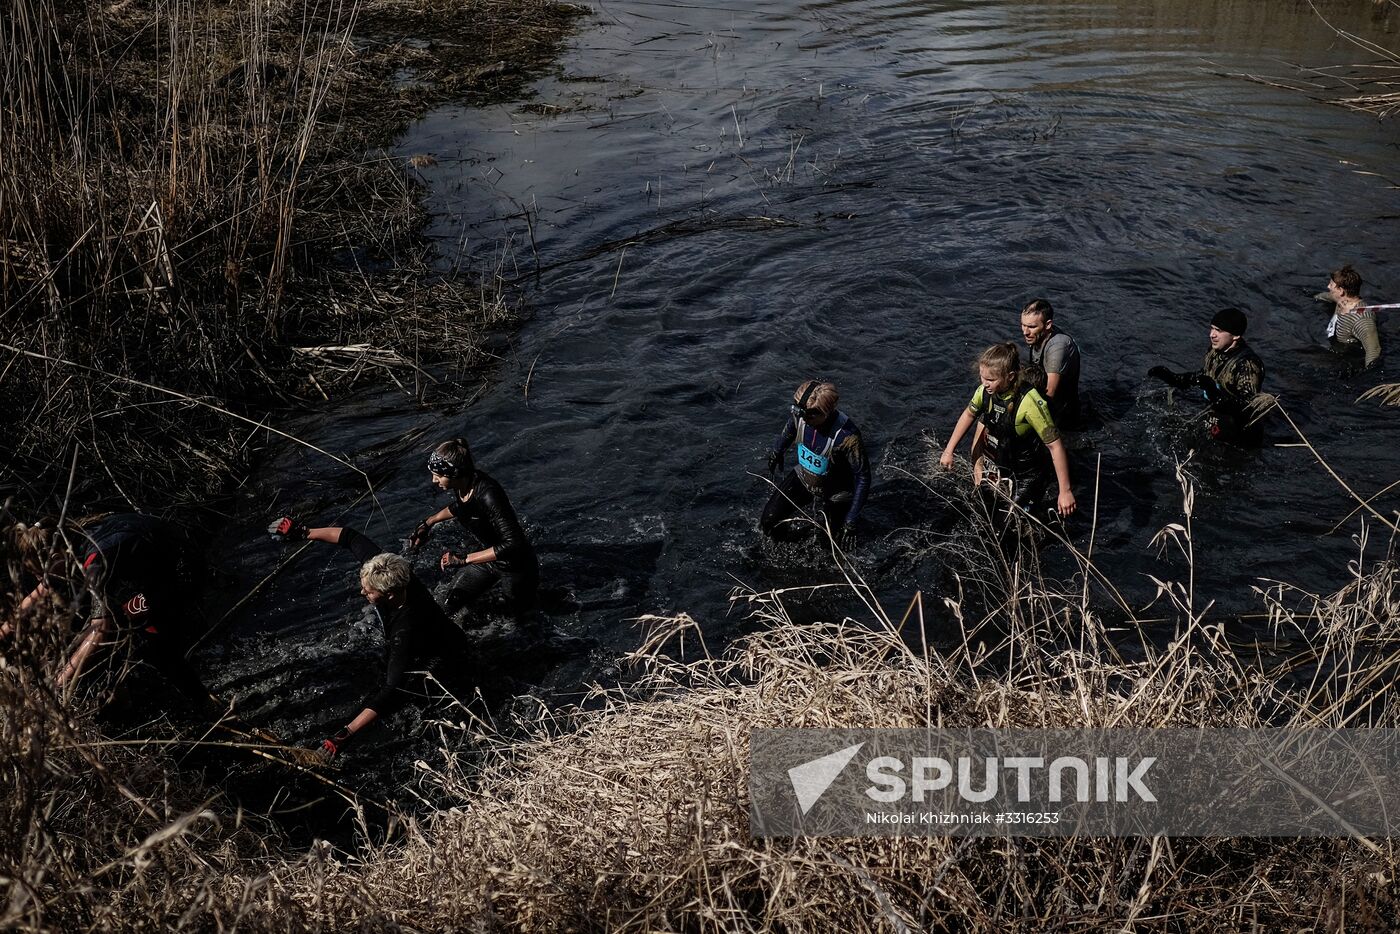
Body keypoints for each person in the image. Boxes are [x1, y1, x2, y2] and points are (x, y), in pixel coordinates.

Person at [267, 516, 479, 762]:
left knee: (403, 697)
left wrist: (343, 736)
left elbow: (391, 688)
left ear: (388, 594)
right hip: (429, 635)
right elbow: (349, 536)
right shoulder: (386, 568)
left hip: (441, 658)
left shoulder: (405, 627)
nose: (362, 592)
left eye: (368, 591)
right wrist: (303, 531)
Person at [11, 513, 216, 706]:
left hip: (182, 574)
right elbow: (37, 596)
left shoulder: (95, 559)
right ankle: (122, 688)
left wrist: (55, 685)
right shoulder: (68, 539)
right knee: (102, 623)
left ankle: (205, 702)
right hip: (154, 564)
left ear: (55, 558)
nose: (41, 580)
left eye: (41, 574)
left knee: (131, 625)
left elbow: (100, 631)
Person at [940, 343, 1077, 526]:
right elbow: (969, 415)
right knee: (982, 516)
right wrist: (949, 450)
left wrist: (1065, 491)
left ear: (1010, 377)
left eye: (991, 379)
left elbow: (1055, 446)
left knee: (1007, 526)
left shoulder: (1029, 402)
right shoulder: (985, 392)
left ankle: (1045, 523)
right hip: (1002, 466)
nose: (984, 383)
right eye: (982, 377)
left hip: (1030, 474)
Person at [407, 439, 539, 621]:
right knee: (448, 606)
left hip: (515, 566)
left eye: (438, 475)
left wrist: (465, 559)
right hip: (489, 562)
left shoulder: (488, 493)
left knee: (516, 621)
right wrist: (429, 522)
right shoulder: (463, 484)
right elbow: (462, 506)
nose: (433, 480)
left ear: (454, 472)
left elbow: (514, 543)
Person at [760, 379, 871, 546]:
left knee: (825, 545)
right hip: (804, 477)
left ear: (826, 412)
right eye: (799, 411)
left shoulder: (848, 438)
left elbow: (863, 477)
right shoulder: (801, 416)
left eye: (811, 414)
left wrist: (851, 519)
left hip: (837, 492)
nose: (803, 419)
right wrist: (777, 451)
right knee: (769, 521)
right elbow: (790, 431)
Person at [1148, 307, 1266, 445]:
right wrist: (1173, 378)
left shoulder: (1247, 364)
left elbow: (1246, 406)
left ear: (1235, 336)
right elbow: (1204, 375)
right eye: (1212, 328)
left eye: (1219, 331)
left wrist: (1214, 393)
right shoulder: (1215, 350)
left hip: (1239, 433)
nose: (1212, 335)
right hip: (1218, 416)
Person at [1019, 298, 1082, 428]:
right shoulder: (1038, 335)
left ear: (1048, 325)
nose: (1025, 332)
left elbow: (1050, 392)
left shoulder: (1058, 346)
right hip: (1047, 406)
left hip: (1062, 416)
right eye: (1023, 325)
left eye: (1031, 327)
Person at [1316, 264, 1381, 371]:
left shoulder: (1362, 320)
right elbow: (1328, 296)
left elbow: (1373, 350)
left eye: (1331, 284)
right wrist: (1314, 297)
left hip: (1348, 358)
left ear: (1341, 291)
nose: (1328, 286)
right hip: (1333, 342)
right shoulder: (1342, 300)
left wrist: (1368, 376)